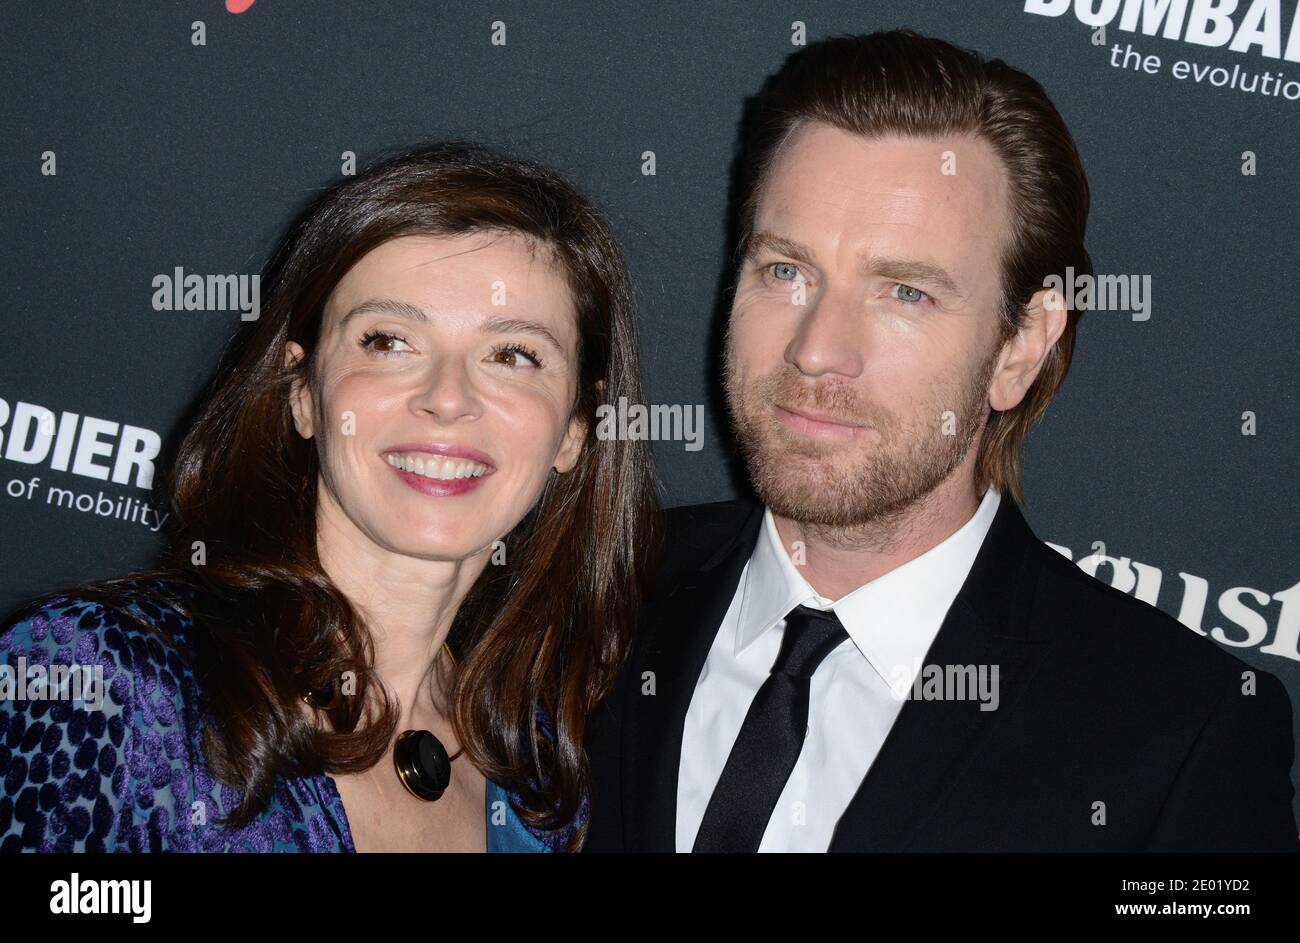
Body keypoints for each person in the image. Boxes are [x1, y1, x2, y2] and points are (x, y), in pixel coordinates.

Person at [583, 30, 1298, 853]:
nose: (817, 348)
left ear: (1020, 346)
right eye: (786, 271)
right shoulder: (590, 590)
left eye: (906, 292)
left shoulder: (1181, 735)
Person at [0, 141, 659, 852]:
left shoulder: (538, 788)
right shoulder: (109, 680)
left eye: (513, 355)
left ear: (574, 430)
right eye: (389, 340)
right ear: (303, 391)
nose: (447, 398)